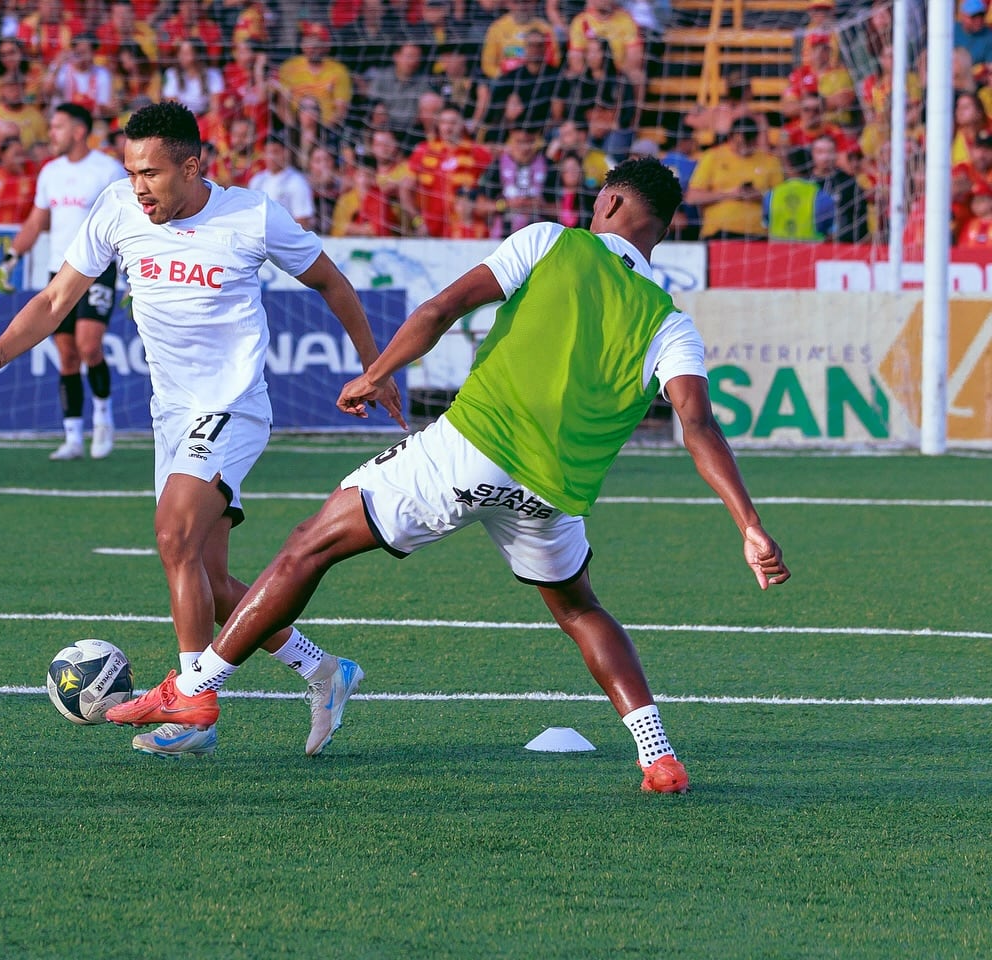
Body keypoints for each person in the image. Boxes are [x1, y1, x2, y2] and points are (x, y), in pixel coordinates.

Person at [106, 158, 791, 794]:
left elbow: (439, 311)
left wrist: (376, 375)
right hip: (551, 491)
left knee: (307, 546)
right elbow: (698, 425)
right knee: (580, 607)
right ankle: (658, 753)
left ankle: (197, 686)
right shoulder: (672, 324)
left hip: (468, 449)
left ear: (609, 201)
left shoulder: (552, 240)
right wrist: (750, 527)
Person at [0, 101, 406, 758]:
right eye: (132, 171)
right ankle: (322, 670)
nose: (139, 186)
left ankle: (195, 706)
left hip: (233, 405)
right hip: (173, 416)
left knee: (172, 533)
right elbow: (53, 300)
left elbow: (331, 281)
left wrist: (375, 367)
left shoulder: (250, 214)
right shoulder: (116, 209)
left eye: (152, 172)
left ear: (193, 166)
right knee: (207, 581)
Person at [0, 102, 126, 461]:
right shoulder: (49, 172)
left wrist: (130, 272)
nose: (50, 133)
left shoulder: (108, 169)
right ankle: (72, 436)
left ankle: (102, 419)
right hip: (59, 271)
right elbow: (37, 221)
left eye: (58, 127)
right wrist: (11, 258)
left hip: (97, 269)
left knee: (88, 345)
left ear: (79, 131)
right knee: (66, 355)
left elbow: (127, 222)